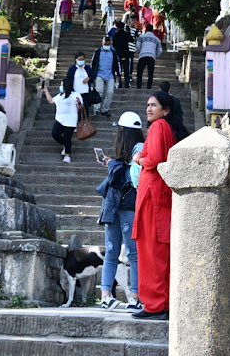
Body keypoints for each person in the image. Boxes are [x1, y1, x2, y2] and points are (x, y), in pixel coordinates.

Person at [131, 91, 190, 320]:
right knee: (161, 253)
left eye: (153, 105)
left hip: (152, 197)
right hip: (162, 197)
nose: (148, 108)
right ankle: (163, 304)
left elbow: (154, 158)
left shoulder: (158, 127)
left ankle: (154, 305)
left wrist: (139, 159)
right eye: (147, 104)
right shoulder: (168, 128)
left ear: (165, 110)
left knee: (150, 252)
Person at [96, 111, 145, 311]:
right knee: (128, 253)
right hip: (125, 206)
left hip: (116, 206)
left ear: (122, 132)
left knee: (115, 252)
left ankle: (108, 295)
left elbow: (134, 177)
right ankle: (133, 297)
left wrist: (113, 164)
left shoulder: (136, 150)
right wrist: (112, 163)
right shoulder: (138, 148)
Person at [42, 78, 83, 164]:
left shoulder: (75, 95)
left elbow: (81, 107)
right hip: (60, 119)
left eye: (61, 85)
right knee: (55, 133)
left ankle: (67, 155)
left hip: (70, 121)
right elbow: (51, 101)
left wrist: (79, 103)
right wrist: (46, 91)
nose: (60, 87)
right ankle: (65, 145)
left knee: (67, 137)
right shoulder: (60, 95)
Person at [91, 36, 121, 117]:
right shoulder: (97, 52)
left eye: (107, 44)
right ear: (102, 43)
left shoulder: (113, 53)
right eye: (105, 44)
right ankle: (96, 109)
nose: (106, 46)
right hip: (99, 74)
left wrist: (118, 75)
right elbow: (93, 63)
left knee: (110, 92)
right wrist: (92, 75)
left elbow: (117, 64)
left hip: (110, 74)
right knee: (99, 90)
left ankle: (105, 109)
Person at [66, 52, 93, 117]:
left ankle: (85, 123)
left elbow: (92, 77)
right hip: (76, 92)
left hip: (85, 91)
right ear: (76, 60)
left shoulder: (87, 68)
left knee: (86, 109)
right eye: (79, 59)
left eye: (82, 59)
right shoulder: (72, 69)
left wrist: (88, 78)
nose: (81, 61)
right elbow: (68, 79)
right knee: (77, 110)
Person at [136, 24, 162, 89]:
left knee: (139, 72)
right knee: (150, 73)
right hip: (151, 57)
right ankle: (149, 87)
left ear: (146, 29)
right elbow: (160, 50)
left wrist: (139, 51)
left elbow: (137, 45)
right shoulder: (157, 39)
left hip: (142, 55)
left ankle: (139, 86)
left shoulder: (141, 37)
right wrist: (155, 55)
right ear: (152, 30)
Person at [112, 21, 131, 88]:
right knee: (126, 70)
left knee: (118, 71)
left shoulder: (115, 35)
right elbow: (132, 40)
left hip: (118, 55)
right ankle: (127, 84)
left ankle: (119, 84)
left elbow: (113, 44)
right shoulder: (126, 34)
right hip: (126, 54)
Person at [126, 15, 141, 80]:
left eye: (134, 21)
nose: (133, 22)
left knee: (130, 62)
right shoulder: (126, 29)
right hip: (125, 48)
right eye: (132, 20)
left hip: (132, 48)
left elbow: (140, 38)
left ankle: (130, 74)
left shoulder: (137, 31)